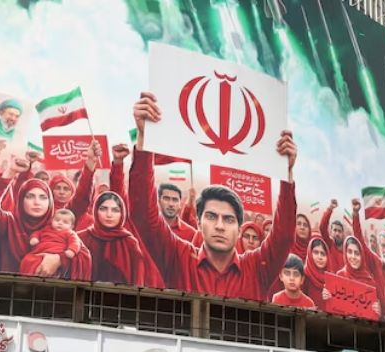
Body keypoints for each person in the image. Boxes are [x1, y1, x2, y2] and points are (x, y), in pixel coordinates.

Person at [128, 91, 298, 303]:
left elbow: (283, 237)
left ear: (239, 229)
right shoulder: (178, 258)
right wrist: (145, 139)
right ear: (199, 223)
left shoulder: (256, 268)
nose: (219, 226)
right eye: (211, 216)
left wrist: (286, 172)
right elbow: (143, 215)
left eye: (228, 219)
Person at [78, 190, 162, 287]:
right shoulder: (81, 238)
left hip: (121, 295)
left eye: (115, 210)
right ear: (95, 211)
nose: (109, 215)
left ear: (122, 214)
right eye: (103, 209)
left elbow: (138, 280)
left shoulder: (130, 243)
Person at [20, 208, 89, 279]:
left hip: (56, 252)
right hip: (39, 252)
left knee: (50, 269)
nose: (60, 223)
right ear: (52, 221)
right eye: (57, 220)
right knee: (27, 259)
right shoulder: (47, 229)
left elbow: (75, 242)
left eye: (65, 222)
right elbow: (37, 233)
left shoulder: (70, 233)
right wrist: (34, 238)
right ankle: (28, 278)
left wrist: (72, 250)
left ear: (71, 226)